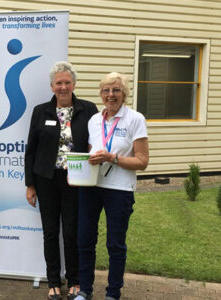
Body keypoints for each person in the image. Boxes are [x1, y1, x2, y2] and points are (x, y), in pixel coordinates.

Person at [25, 61, 98, 300]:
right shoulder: (40, 111)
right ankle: (54, 282)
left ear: (74, 84)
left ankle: (75, 280)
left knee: (72, 231)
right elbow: (31, 150)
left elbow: (97, 141)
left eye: (67, 82)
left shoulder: (88, 109)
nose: (63, 87)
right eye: (59, 83)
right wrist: (30, 184)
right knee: (50, 232)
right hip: (46, 179)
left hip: (76, 180)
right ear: (52, 86)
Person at [75, 72, 149, 300]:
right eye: (106, 90)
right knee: (85, 240)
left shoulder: (135, 119)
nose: (111, 95)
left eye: (116, 90)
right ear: (101, 94)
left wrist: (112, 158)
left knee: (115, 244)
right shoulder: (94, 120)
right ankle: (85, 290)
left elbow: (142, 161)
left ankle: (113, 292)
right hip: (92, 187)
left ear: (124, 93)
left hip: (120, 190)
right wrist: (85, 161)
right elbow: (91, 153)